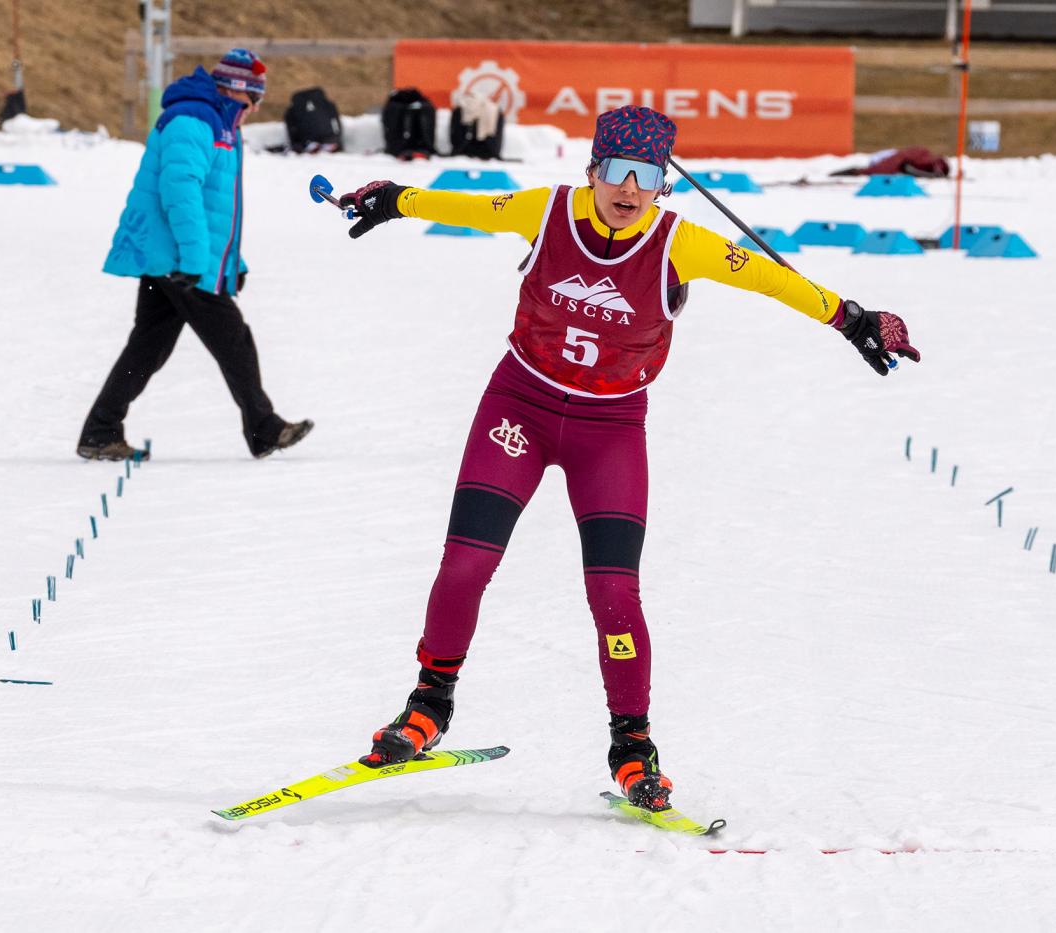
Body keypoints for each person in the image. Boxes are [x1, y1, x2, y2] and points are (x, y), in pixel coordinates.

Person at [335, 106, 920, 812]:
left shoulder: (681, 242)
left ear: (663, 185)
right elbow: (467, 206)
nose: (630, 188)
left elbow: (771, 279)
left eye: (647, 175)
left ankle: (633, 744)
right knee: (466, 563)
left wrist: (852, 318)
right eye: (617, 170)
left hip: (609, 430)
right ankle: (429, 704)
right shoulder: (546, 211)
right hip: (517, 408)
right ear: (592, 171)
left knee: (614, 593)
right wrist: (395, 199)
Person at [77, 48, 313, 461]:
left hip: (181, 256)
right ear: (237, 91)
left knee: (148, 347)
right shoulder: (194, 120)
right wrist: (194, 261)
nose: (254, 109)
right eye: (253, 99)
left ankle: (100, 431)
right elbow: (180, 192)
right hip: (179, 258)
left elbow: (219, 207)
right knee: (233, 339)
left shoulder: (219, 122)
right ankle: (264, 428)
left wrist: (229, 264)